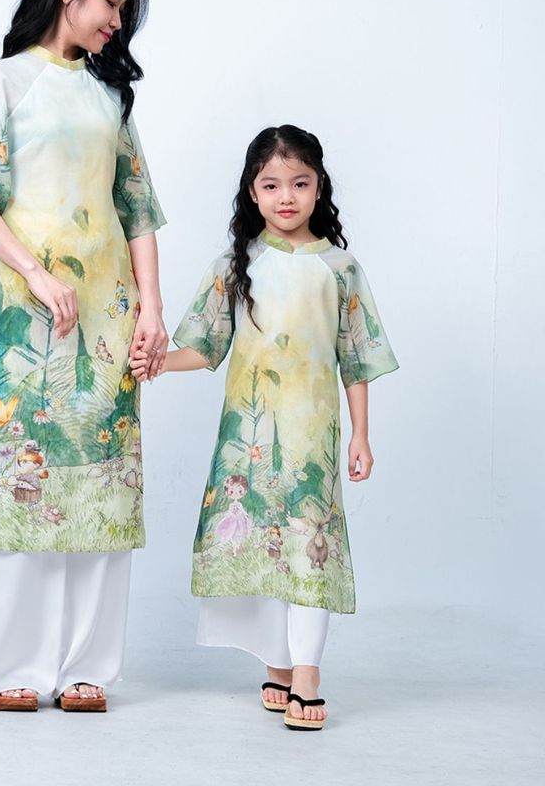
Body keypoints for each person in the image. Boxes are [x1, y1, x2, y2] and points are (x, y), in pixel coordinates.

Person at [0, 0, 168, 712]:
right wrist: (35, 273)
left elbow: (138, 211)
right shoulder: (0, 83)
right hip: (25, 314)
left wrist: (151, 312)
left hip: (107, 315)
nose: (117, 22)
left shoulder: (109, 97)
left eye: (123, 10)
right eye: (111, 2)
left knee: (99, 478)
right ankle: (13, 666)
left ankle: (85, 668)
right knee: (21, 477)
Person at [131, 125, 397, 730]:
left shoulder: (340, 268)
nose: (286, 197)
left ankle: (307, 675)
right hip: (247, 441)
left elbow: (356, 360)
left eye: (299, 183)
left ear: (319, 187)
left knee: (309, 547)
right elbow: (204, 348)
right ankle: (277, 664)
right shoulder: (236, 265)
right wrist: (157, 363)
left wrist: (360, 434)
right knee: (262, 548)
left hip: (312, 439)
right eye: (271, 185)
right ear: (252, 192)